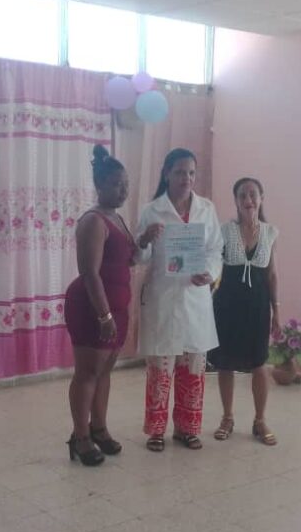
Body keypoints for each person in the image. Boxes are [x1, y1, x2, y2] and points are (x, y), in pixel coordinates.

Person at [135, 148, 223, 452]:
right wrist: (145, 239)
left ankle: (187, 429)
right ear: (166, 174)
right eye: (180, 172)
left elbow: (215, 250)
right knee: (161, 369)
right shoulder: (152, 210)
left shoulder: (206, 209)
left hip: (195, 299)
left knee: (193, 367)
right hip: (163, 298)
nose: (186, 178)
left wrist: (210, 273)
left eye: (191, 173)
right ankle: (156, 431)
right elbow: (139, 257)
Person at [63, 145, 135, 466]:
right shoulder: (93, 221)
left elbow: (124, 260)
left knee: (104, 371)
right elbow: (90, 274)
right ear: (100, 184)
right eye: (117, 184)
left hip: (117, 307)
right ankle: (80, 437)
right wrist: (104, 315)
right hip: (92, 307)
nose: (124, 190)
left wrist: (144, 240)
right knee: (88, 373)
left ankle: (99, 428)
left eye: (126, 184)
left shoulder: (116, 218)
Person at [208, 178, 279, 446]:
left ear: (261, 198)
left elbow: (272, 275)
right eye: (242, 195)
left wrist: (276, 311)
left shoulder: (270, 233)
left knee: (259, 364)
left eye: (253, 194)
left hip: (258, 306)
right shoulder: (225, 231)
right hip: (227, 305)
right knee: (225, 362)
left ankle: (260, 420)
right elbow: (214, 266)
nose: (248, 200)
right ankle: (227, 418)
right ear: (236, 200)